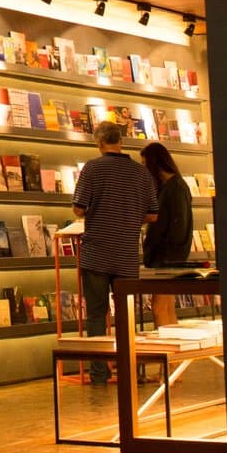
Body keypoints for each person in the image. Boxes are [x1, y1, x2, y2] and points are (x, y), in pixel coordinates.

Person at [71, 121, 158, 382]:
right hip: (126, 255)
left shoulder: (92, 168)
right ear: (121, 140)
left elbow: (79, 208)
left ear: (99, 142)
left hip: (96, 252)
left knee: (97, 314)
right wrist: (129, 218)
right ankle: (132, 369)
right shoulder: (141, 173)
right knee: (126, 314)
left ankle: (99, 373)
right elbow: (153, 214)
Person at [139, 141, 194, 326]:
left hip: (167, 259)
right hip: (170, 258)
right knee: (166, 306)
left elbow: (175, 226)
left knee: (159, 306)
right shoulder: (174, 186)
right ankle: (172, 349)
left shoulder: (174, 188)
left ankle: (164, 350)